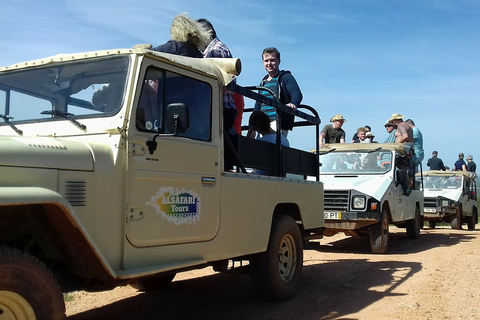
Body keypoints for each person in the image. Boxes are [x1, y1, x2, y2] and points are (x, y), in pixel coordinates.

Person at [253, 47, 302, 137]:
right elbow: (258, 103)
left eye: (272, 60)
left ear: (279, 61)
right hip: (262, 122)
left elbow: (296, 92)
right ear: (263, 63)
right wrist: (253, 125)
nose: (269, 63)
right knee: (259, 148)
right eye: (266, 61)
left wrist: (293, 104)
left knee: (272, 146)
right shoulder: (263, 81)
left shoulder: (285, 77)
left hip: (277, 121)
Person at [248, 110, 289, 175]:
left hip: (262, 176)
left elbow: (246, 158)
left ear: (257, 128)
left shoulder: (261, 142)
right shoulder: (284, 139)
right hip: (278, 175)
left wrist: (249, 133)